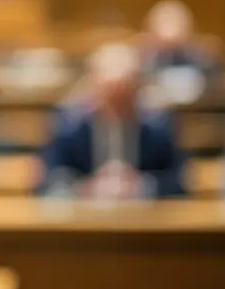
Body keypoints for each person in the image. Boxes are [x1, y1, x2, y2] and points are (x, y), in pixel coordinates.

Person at [36, 43, 186, 199]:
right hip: (84, 220)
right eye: (110, 95)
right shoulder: (68, 127)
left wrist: (143, 185)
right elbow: (47, 181)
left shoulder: (159, 128)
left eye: (124, 95)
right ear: (93, 89)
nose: (117, 107)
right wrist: (85, 187)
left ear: (137, 90)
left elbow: (180, 182)